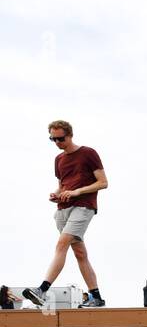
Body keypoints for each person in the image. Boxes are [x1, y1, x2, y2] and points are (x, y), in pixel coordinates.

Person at [22, 120, 108, 309]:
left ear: (70, 135)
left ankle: (42, 290)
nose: (57, 142)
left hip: (83, 206)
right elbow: (62, 185)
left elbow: (103, 182)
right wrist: (57, 194)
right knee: (80, 254)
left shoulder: (88, 153)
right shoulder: (59, 160)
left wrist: (78, 192)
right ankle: (96, 297)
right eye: (53, 139)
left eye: (61, 138)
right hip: (63, 209)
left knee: (61, 244)